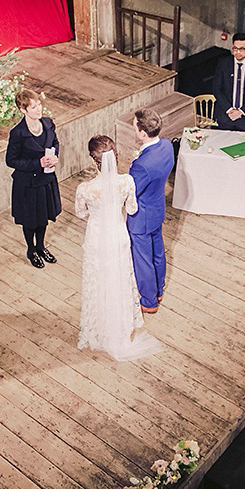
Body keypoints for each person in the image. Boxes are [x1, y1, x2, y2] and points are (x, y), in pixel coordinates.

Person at [75, 135, 161, 361]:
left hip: (96, 236)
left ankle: (100, 326)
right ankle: (120, 322)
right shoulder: (126, 182)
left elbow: (80, 213)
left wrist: (95, 212)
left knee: (98, 278)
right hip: (117, 232)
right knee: (120, 276)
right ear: (115, 155)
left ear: (94, 159)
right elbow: (132, 210)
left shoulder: (85, 189)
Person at [6, 89, 61, 269]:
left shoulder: (48, 123)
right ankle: (31, 250)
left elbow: (55, 143)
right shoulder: (18, 133)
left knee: (43, 217)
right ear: (23, 110)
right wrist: (38, 163)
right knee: (31, 220)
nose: (39, 110)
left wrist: (55, 157)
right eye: (34, 107)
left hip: (45, 181)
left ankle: (41, 246)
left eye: (39, 105)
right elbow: (11, 160)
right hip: (28, 184)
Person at [128, 108, 175, 313]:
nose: (133, 127)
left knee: (143, 259)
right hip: (157, 209)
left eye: (135, 126)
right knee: (158, 252)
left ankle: (149, 301)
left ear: (142, 133)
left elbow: (131, 191)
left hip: (142, 216)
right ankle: (159, 290)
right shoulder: (166, 146)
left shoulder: (142, 165)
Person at [212, 33, 245, 131]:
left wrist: (241, 111)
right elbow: (216, 89)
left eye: (242, 49)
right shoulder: (223, 63)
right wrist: (230, 110)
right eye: (235, 49)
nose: (238, 52)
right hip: (225, 113)